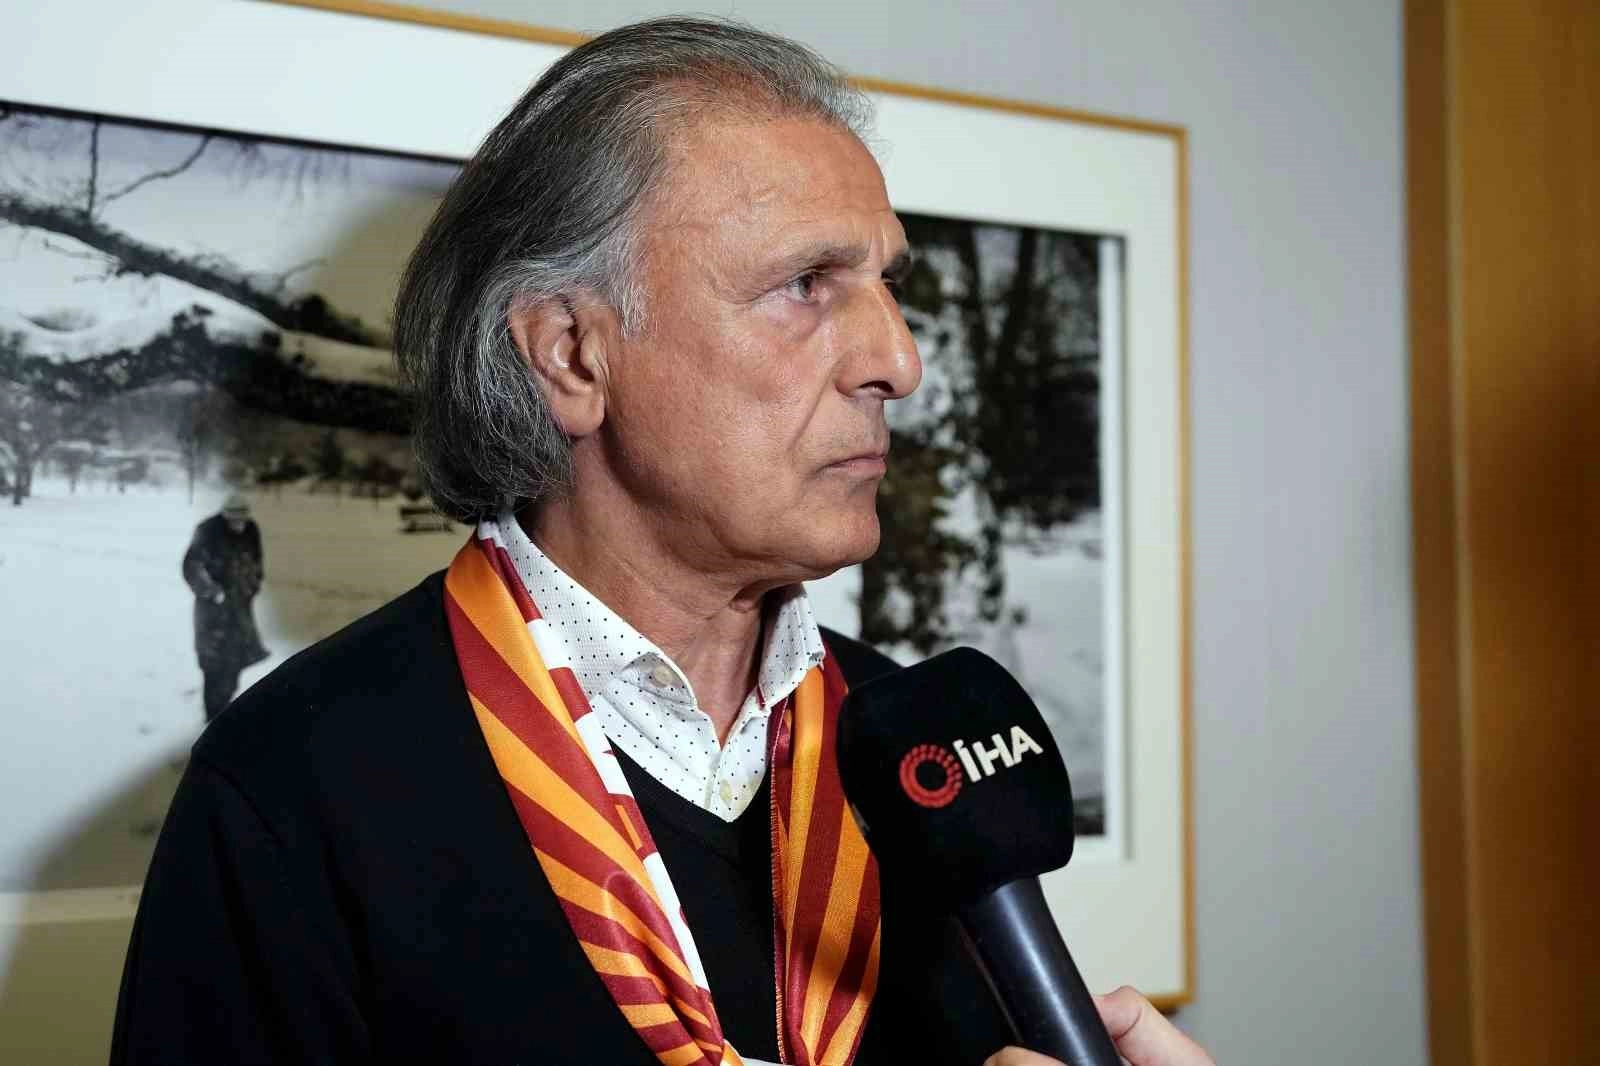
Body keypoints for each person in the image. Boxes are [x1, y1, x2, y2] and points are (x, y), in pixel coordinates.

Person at [115, 18, 1212, 1066]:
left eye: (889, 285)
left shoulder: (915, 761)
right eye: (806, 285)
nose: (898, 361)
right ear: (570, 356)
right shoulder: (294, 787)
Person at [180, 492, 269, 721]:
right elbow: (191, 566)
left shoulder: (251, 530)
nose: (238, 522)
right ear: (225, 514)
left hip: (240, 608)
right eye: (233, 517)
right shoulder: (207, 531)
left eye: (242, 517)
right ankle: (212, 717)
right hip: (212, 612)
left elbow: (257, 562)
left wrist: (252, 587)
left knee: (236, 659)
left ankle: (224, 708)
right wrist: (211, 592)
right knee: (213, 664)